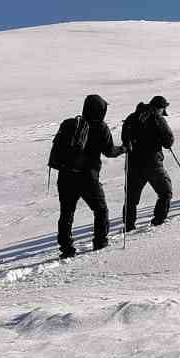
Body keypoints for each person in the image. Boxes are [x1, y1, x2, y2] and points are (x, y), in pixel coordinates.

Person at [56, 94, 123, 258]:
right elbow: (109, 152)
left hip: (65, 176)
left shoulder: (70, 124)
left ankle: (66, 249)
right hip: (88, 178)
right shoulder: (100, 127)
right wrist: (124, 149)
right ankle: (100, 242)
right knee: (100, 210)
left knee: (66, 213)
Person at [121, 96, 174, 232]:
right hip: (153, 164)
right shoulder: (158, 119)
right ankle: (158, 222)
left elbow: (124, 139)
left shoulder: (132, 117)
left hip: (133, 165)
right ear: (160, 108)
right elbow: (168, 142)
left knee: (131, 199)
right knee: (165, 192)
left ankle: (128, 227)